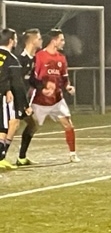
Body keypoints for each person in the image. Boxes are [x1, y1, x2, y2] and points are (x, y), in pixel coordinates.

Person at [30, 29, 78, 162]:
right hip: (40, 101)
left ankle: (73, 154)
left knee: (68, 124)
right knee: (31, 127)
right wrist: (43, 88)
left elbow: (64, 78)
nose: (63, 42)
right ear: (54, 41)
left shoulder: (61, 58)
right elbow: (34, 78)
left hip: (57, 99)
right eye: (61, 40)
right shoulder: (40, 56)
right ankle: (21, 155)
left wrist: (68, 87)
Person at [0, 29, 33, 169]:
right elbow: (18, 85)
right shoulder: (12, 60)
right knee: (5, 127)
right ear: (11, 41)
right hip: (3, 97)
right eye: (15, 39)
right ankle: (1, 158)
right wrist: (26, 105)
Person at [16, 28, 42, 166]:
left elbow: (30, 79)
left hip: (22, 99)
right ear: (32, 41)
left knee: (32, 124)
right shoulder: (20, 59)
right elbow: (16, 82)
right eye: (39, 38)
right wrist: (25, 104)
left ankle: (21, 158)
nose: (41, 41)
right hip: (14, 98)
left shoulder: (33, 58)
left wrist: (44, 86)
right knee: (11, 127)